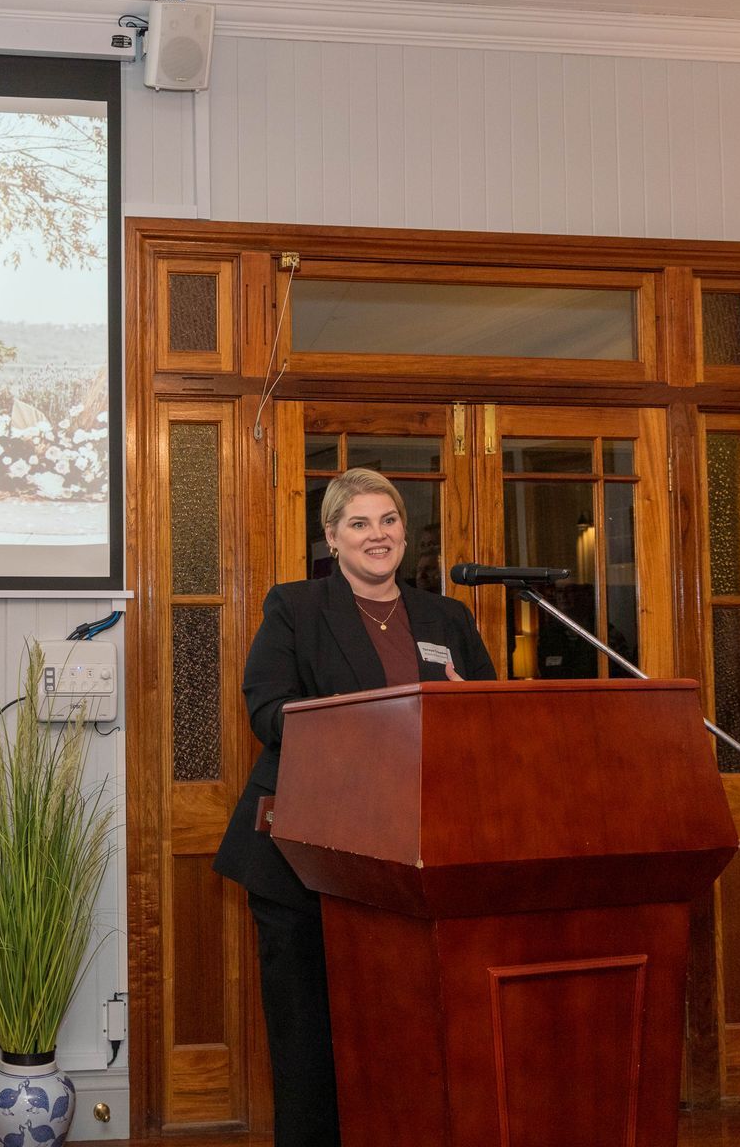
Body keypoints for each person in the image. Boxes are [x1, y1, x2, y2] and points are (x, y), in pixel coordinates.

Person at [212, 467, 496, 1145]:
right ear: (332, 539)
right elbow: (269, 711)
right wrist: (369, 726)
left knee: (404, 1038)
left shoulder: (447, 617)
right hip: (307, 856)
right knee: (309, 1041)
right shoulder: (296, 607)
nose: (379, 535)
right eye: (360, 523)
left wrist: (465, 710)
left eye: (389, 520)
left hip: (416, 860)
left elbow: (490, 719)